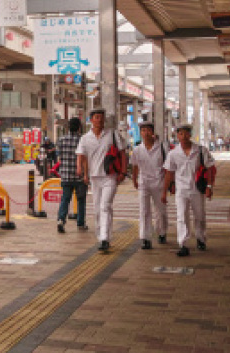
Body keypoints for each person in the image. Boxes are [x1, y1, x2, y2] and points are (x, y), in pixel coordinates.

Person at [163, 124, 217, 257]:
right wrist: (164, 191)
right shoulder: (173, 154)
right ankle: (183, 244)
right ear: (177, 136)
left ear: (190, 134)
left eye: (186, 133)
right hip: (181, 191)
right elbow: (169, 173)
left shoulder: (200, 150)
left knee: (199, 216)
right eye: (181, 134)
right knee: (181, 216)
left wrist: (209, 187)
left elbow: (210, 168)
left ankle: (201, 238)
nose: (184, 136)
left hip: (197, 190)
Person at [76, 107, 125, 252]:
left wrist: (122, 171)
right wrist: (82, 171)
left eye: (101, 117)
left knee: (105, 206)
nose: (99, 120)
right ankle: (102, 236)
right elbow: (81, 155)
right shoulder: (85, 138)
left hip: (110, 176)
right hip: (94, 177)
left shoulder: (113, 135)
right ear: (91, 120)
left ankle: (104, 238)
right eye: (96, 117)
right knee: (97, 209)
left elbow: (122, 153)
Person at [131, 121, 168, 250]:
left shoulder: (162, 148)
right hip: (144, 183)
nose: (145, 133)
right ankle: (146, 238)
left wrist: (169, 184)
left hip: (159, 183)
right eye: (143, 131)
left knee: (161, 210)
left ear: (153, 132)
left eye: (148, 130)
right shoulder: (137, 149)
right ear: (140, 133)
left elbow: (168, 167)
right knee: (144, 211)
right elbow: (135, 166)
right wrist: (134, 179)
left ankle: (162, 232)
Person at [56, 117, 87, 233]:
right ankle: (80, 223)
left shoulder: (61, 139)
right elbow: (85, 158)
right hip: (79, 176)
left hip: (65, 175)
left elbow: (59, 156)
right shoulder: (82, 140)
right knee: (81, 200)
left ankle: (61, 220)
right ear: (79, 127)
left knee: (65, 199)